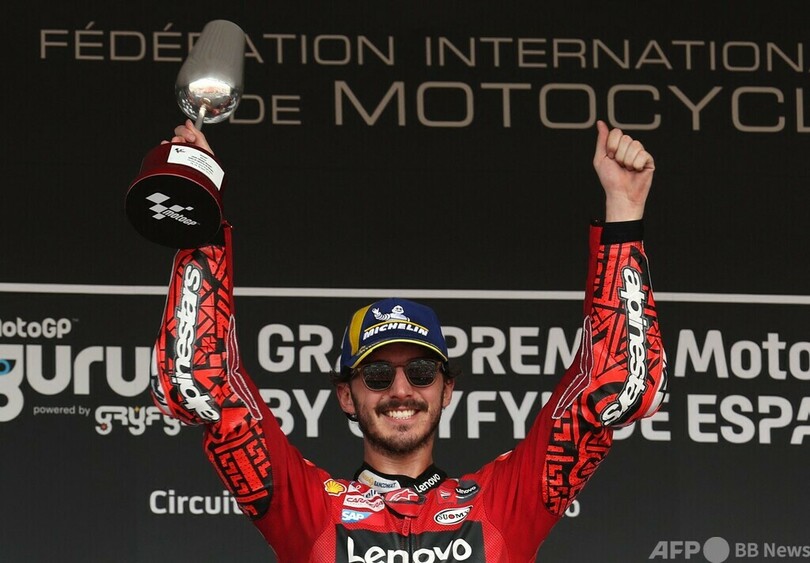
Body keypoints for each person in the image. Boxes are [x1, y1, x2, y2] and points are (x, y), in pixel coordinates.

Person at [150, 119, 668, 562]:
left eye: (420, 372)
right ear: (346, 394)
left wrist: (623, 211)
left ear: (447, 389)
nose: (401, 390)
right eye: (378, 375)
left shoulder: (500, 505)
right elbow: (201, 382)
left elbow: (616, 385)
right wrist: (200, 213)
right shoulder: (311, 510)